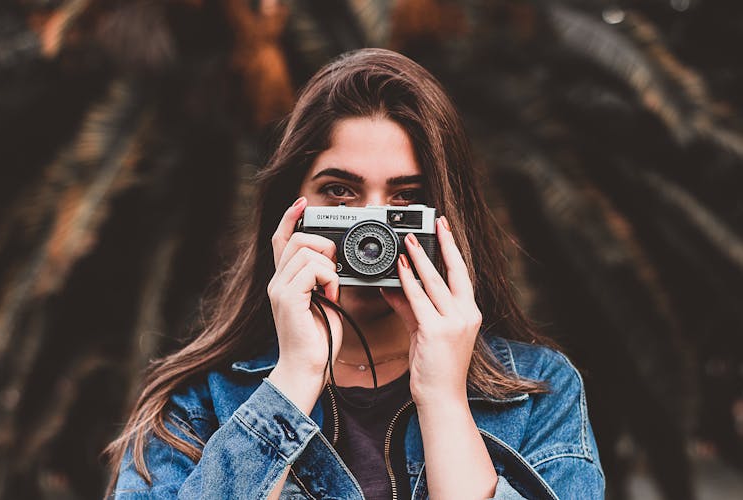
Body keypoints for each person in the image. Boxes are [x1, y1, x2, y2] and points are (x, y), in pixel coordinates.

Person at [104, 48, 605, 499]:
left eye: (405, 198)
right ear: (290, 211)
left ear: (447, 216)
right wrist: (293, 380)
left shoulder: (539, 393)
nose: (372, 228)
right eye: (340, 192)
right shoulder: (196, 403)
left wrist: (445, 400)